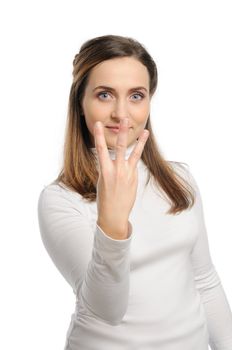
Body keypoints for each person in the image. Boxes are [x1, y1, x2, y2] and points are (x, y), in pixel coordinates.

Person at [37, 35, 232, 350]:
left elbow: (205, 282)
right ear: (80, 103)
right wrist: (112, 223)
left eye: (136, 96)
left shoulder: (179, 180)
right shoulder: (61, 199)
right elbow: (106, 310)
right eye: (104, 95)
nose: (121, 113)